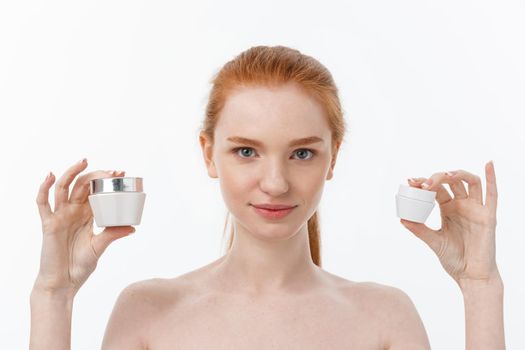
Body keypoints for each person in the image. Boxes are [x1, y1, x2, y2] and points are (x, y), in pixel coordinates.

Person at [30, 45, 505, 349]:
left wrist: (480, 287)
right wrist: (54, 293)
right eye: (246, 151)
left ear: (333, 157)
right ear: (209, 154)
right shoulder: (147, 311)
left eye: (302, 153)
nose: (275, 182)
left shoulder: (384, 317)